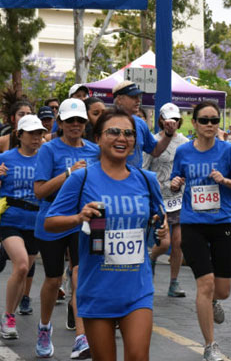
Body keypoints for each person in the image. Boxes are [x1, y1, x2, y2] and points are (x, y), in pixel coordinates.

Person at [44, 107, 168, 361]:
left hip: (137, 287)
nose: (122, 138)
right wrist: (79, 218)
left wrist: (161, 228)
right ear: (98, 138)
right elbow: (50, 222)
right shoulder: (82, 178)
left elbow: (159, 217)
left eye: (129, 134)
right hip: (98, 287)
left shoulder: (147, 180)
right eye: (113, 132)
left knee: (137, 356)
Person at [170, 101, 231, 361]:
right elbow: (175, 181)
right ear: (194, 123)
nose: (210, 125)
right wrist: (176, 182)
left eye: (214, 120)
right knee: (204, 284)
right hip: (193, 224)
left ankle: (214, 301)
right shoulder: (183, 152)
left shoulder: (228, 151)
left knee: (222, 289)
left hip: (222, 224)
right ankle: (210, 345)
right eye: (204, 120)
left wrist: (224, 181)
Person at [33, 98, 100, 359]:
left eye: (80, 120)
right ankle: (44, 327)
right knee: (52, 280)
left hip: (82, 220)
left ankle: (81, 337)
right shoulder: (48, 150)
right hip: (52, 218)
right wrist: (69, 173)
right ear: (59, 122)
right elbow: (39, 191)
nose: (75, 125)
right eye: (69, 120)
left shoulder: (94, 150)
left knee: (79, 274)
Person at [0, 115, 45, 339]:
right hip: (11, 218)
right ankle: (7, 317)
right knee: (23, 266)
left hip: (35, 221)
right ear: (19, 135)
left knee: (23, 271)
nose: (36, 137)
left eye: (39, 133)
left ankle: (10, 314)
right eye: (32, 133)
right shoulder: (6, 158)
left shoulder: (45, 158)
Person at [143, 102, 189, 297]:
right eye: (169, 120)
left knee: (178, 243)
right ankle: (152, 257)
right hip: (159, 199)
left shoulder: (186, 143)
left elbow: (189, 169)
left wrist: (181, 181)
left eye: (176, 120)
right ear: (161, 120)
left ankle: (174, 282)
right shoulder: (153, 142)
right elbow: (144, 169)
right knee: (163, 243)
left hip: (178, 199)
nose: (172, 123)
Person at [112, 80, 178, 168]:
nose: (138, 100)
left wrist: (168, 134)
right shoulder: (106, 121)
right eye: (133, 97)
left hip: (134, 179)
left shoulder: (140, 123)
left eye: (138, 96)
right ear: (119, 99)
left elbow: (155, 151)